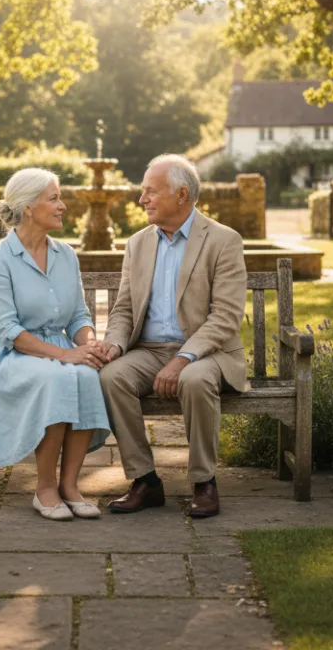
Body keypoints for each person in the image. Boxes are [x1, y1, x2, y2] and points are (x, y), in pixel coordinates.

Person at [99, 154, 247, 519]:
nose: (142, 199)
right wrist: (115, 344)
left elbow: (226, 317)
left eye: (150, 191)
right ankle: (145, 481)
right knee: (111, 376)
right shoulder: (137, 244)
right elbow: (124, 310)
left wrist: (183, 358)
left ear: (182, 194)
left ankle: (204, 483)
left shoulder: (223, 241)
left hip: (206, 353)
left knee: (194, 380)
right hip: (147, 350)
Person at [0, 168, 113, 521]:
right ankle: (44, 488)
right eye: (54, 198)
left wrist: (89, 344)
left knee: (88, 376)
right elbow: (7, 330)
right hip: (9, 355)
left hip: (56, 351)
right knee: (60, 377)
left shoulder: (66, 255)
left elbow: (78, 314)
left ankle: (70, 486)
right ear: (29, 207)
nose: (62, 206)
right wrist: (65, 354)